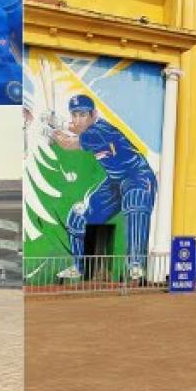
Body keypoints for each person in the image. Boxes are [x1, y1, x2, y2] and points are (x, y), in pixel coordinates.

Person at [52, 94, 158, 281]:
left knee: (136, 204)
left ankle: (135, 265)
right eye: (74, 114)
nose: (77, 120)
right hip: (115, 180)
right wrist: (57, 123)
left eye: (82, 115)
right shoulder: (88, 129)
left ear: (94, 114)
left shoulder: (100, 130)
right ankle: (80, 266)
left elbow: (68, 144)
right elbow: (74, 128)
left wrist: (53, 132)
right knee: (79, 216)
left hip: (137, 176)